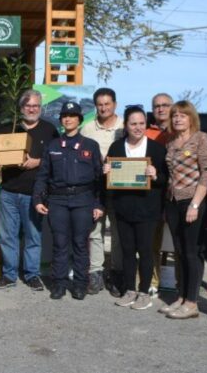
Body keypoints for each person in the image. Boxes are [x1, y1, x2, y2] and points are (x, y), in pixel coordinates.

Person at [33, 101, 104, 300]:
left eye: (72, 116)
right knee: (60, 243)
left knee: (81, 244)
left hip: (83, 200)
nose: (68, 119)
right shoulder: (53, 145)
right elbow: (43, 175)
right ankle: (59, 283)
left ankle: (80, 284)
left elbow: (100, 178)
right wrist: (38, 199)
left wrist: (99, 204)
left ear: (79, 120)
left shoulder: (91, 145)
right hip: (58, 200)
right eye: (65, 116)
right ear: (61, 120)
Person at [0, 89, 58, 292]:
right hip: (9, 191)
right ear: (21, 108)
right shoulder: (7, 128)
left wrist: (37, 161)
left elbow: (55, 157)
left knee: (33, 236)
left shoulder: (49, 130)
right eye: (28, 105)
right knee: (7, 236)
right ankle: (9, 274)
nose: (32, 109)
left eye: (35, 106)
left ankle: (32, 275)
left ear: (40, 108)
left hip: (34, 193)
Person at [104, 106, 168, 310]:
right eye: (133, 123)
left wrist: (156, 175)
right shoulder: (116, 148)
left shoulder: (157, 149)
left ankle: (144, 292)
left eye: (141, 123)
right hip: (123, 209)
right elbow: (109, 179)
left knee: (146, 251)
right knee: (128, 251)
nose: (137, 127)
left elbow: (166, 180)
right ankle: (130, 290)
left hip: (148, 210)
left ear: (146, 125)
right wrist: (105, 171)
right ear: (126, 125)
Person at [162, 100, 207, 319]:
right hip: (173, 201)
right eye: (175, 115)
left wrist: (195, 203)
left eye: (182, 115)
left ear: (191, 117)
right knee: (179, 251)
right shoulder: (171, 142)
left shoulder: (201, 139)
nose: (177, 119)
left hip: (192, 201)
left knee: (192, 252)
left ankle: (192, 302)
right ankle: (181, 297)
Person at [80, 87, 123, 296]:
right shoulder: (87, 129)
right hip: (94, 187)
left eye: (107, 104)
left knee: (116, 232)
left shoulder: (125, 127)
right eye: (100, 104)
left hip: (120, 189)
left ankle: (114, 272)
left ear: (115, 104)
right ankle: (95, 271)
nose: (104, 108)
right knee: (95, 231)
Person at [146, 93, 174, 296]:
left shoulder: (181, 131)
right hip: (153, 195)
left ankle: (182, 284)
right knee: (152, 243)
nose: (161, 109)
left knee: (179, 244)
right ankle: (153, 281)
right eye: (157, 106)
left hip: (178, 196)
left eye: (165, 105)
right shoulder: (146, 132)